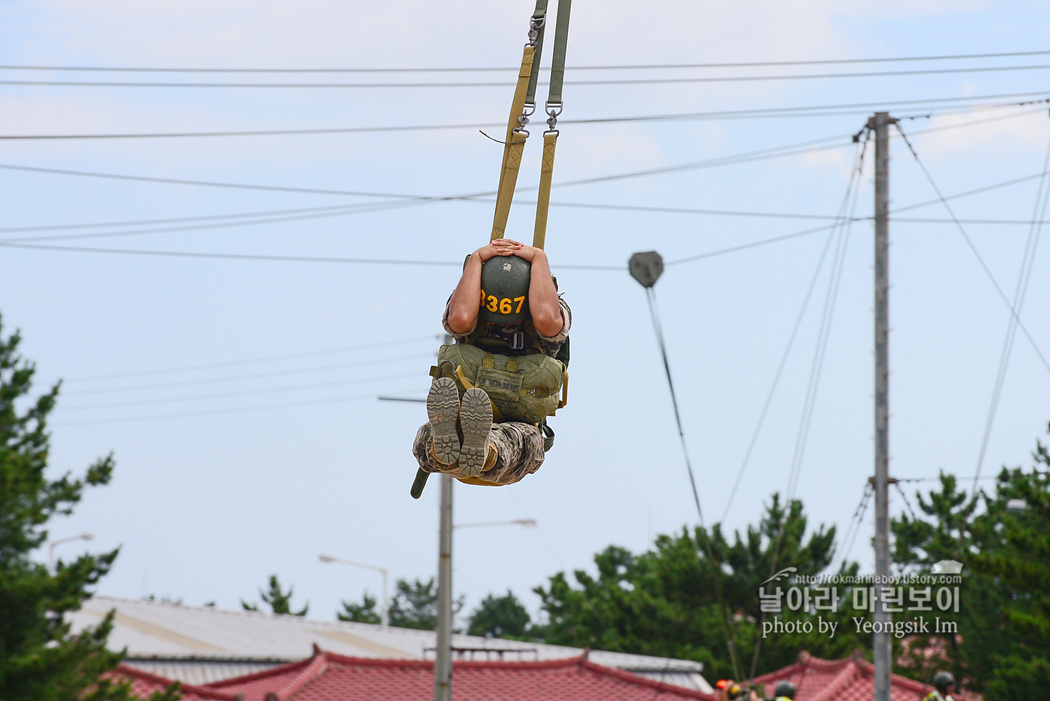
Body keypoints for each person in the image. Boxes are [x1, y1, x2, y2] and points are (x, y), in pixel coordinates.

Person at [411, 238, 570, 487]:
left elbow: (546, 318)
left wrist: (539, 258)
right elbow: (460, 318)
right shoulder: (471, 310)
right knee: (427, 437)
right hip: (462, 418)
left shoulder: (550, 313)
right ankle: (447, 451)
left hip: (518, 429)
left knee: (524, 442)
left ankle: (484, 451)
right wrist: (477, 258)